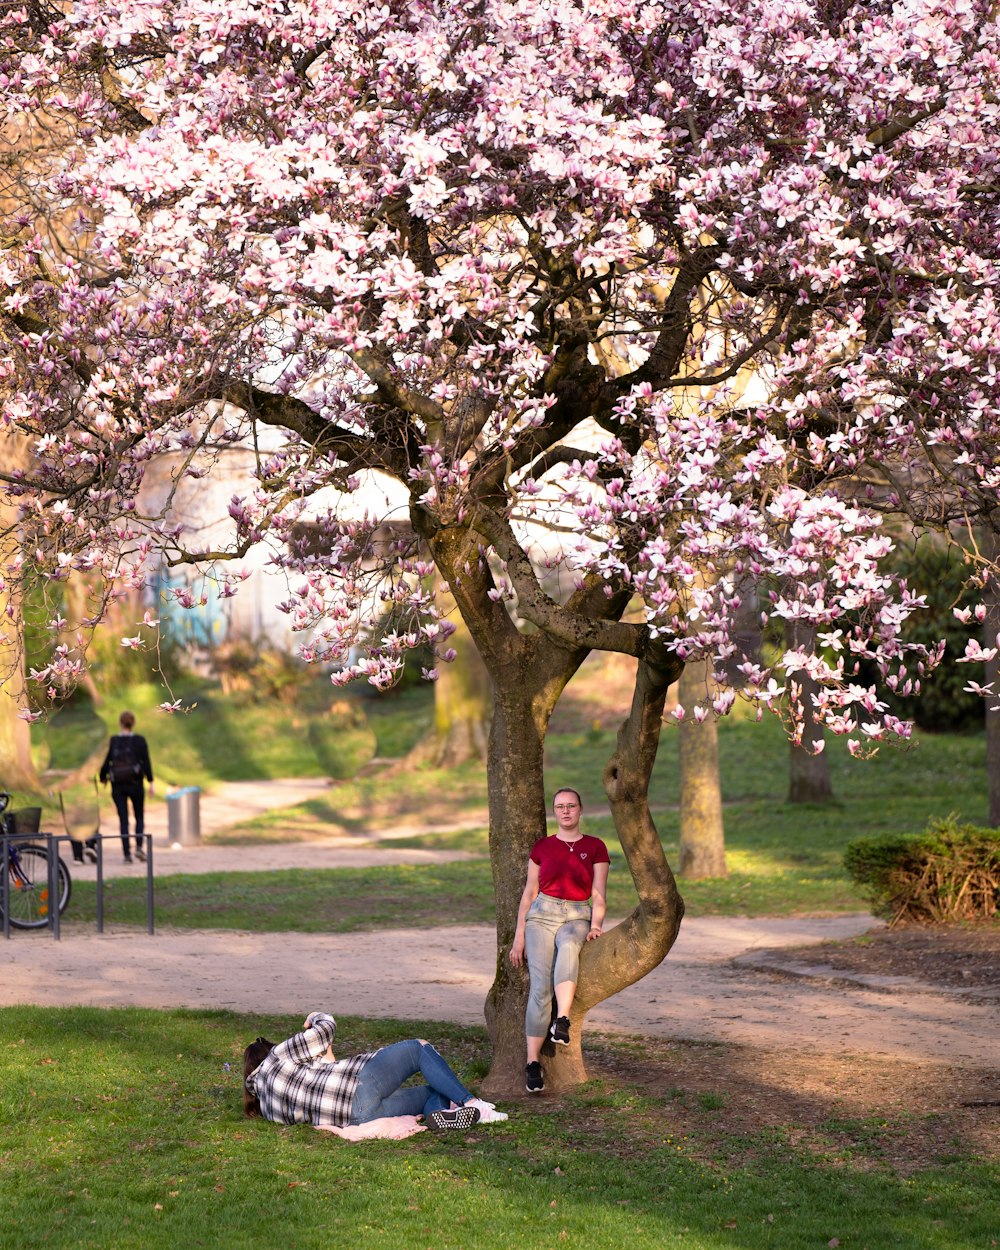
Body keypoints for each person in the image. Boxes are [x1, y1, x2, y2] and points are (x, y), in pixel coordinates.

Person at [243, 1013, 508, 1134]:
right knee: (419, 1049)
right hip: (359, 1088)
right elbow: (327, 1029)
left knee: (434, 1091)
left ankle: (436, 1115)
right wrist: (316, 1017)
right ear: (268, 1050)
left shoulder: (266, 1107)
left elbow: (323, 1076)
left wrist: (325, 1054)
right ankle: (475, 1105)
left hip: (357, 1118)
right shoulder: (277, 1057)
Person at [509, 787, 609, 1094]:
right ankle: (532, 1063)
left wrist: (595, 925)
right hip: (542, 913)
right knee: (540, 987)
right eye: (560, 807)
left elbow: (599, 892)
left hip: (577, 915)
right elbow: (529, 892)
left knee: (569, 945)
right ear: (555, 812)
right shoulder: (542, 847)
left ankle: (561, 1020)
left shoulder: (595, 847)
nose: (565, 811)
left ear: (580, 810)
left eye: (571, 806)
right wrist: (518, 937)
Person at [99, 711, 154, 863]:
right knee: (139, 816)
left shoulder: (114, 740)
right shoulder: (140, 740)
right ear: (133, 723)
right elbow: (146, 762)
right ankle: (139, 847)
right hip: (136, 784)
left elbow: (107, 761)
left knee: (123, 820)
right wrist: (151, 782)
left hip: (118, 786)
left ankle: (127, 855)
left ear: (120, 723)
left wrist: (102, 778)